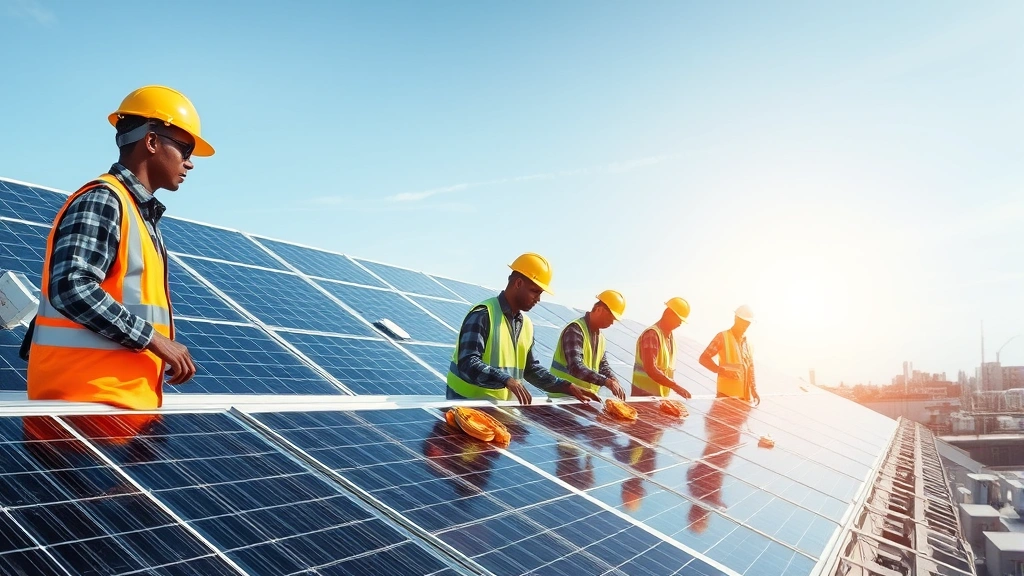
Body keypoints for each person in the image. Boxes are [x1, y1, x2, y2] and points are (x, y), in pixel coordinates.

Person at [25, 85, 214, 410]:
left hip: (113, 408)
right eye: (185, 150)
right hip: (84, 407)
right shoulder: (104, 200)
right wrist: (155, 340)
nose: (190, 163)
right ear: (152, 142)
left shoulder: (135, 212)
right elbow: (71, 287)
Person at [446, 253, 601, 405]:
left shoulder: (525, 324)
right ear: (518, 284)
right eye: (535, 291)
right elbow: (468, 362)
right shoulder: (484, 314)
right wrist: (505, 379)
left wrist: (565, 386)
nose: (538, 299)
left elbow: (531, 369)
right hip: (465, 409)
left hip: (499, 411)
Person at [548, 290, 627, 401]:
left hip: (583, 400)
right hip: (562, 398)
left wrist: (613, 379)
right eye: (611, 317)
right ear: (599, 309)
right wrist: (605, 381)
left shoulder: (601, 338)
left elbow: (602, 365)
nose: (612, 323)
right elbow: (575, 366)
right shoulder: (575, 330)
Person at [631, 297, 693, 398]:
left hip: (660, 398)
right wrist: (675, 386)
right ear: (667, 314)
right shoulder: (652, 335)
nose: (680, 323)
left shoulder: (671, 338)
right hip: (644, 398)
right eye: (678, 319)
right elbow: (650, 368)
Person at [699, 304, 759, 404]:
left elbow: (750, 368)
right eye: (743, 322)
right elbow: (704, 359)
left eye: (747, 323)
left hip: (744, 398)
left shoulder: (748, 343)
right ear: (735, 318)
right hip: (726, 397)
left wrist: (753, 389)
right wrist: (720, 370)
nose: (745, 326)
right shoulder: (722, 337)